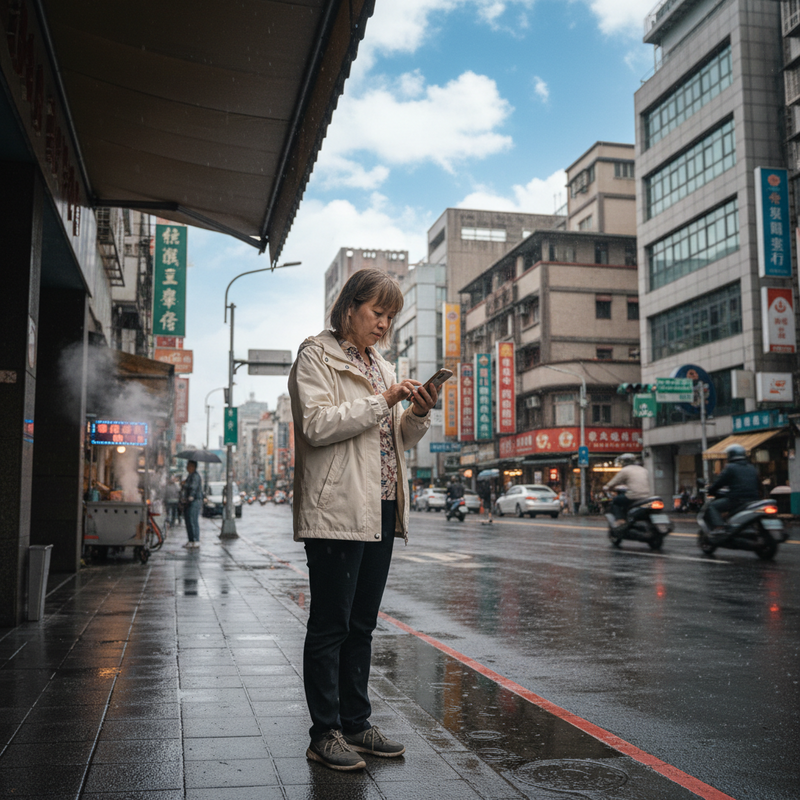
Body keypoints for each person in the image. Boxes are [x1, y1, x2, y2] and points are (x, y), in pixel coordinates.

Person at [288, 268, 437, 771]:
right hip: (338, 507)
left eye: (390, 317)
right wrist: (385, 400)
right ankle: (323, 732)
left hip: (383, 504)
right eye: (378, 313)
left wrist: (415, 413)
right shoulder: (316, 354)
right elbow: (317, 425)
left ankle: (355, 723)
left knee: (362, 624)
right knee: (330, 623)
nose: (384, 325)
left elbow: (396, 436)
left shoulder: (384, 365)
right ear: (349, 307)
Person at [705, 443, 760, 540]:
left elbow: (720, 482)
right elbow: (759, 484)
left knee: (712, 506)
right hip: (754, 500)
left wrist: (711, 489)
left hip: (737, 500)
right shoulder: (752, 467)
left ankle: (719, 527)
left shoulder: (730, 467)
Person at [603, 453, 650, 525]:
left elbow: (613, 483)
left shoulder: (625, 470)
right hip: (646, 496)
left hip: (633, 496)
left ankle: (620, 520)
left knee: (615, 502)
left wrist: (607, 487)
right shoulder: (643, 470)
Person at [181, 461, 203, 549]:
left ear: (193, 466)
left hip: (194, 501)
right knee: (188, 520)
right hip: (189, 501)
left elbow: (193, 487)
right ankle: (191, 540)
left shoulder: (195, 476)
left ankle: (196, 540)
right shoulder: (190, 476)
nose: (187, 467)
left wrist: (191, 496)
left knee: (193, 520)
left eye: (188, 465)